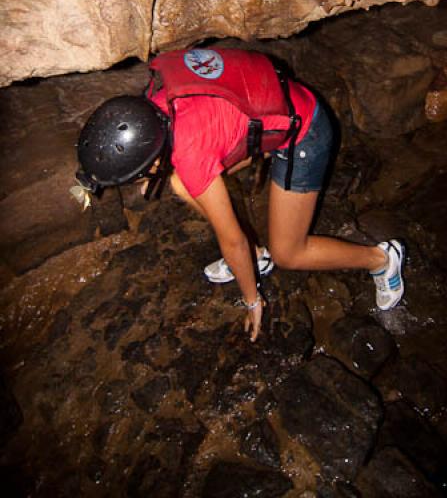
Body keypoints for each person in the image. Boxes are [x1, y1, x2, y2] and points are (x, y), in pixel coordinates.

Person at [74, 47, 404, 342]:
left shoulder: (190, 156)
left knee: (289, 254)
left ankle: (383, 259)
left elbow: (232, 240)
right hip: (273, 102)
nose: (138, 183)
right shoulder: (153, 105)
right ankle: (256, 257)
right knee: (180, 183)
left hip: (306, 131)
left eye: (136, 177)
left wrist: (252, 300)